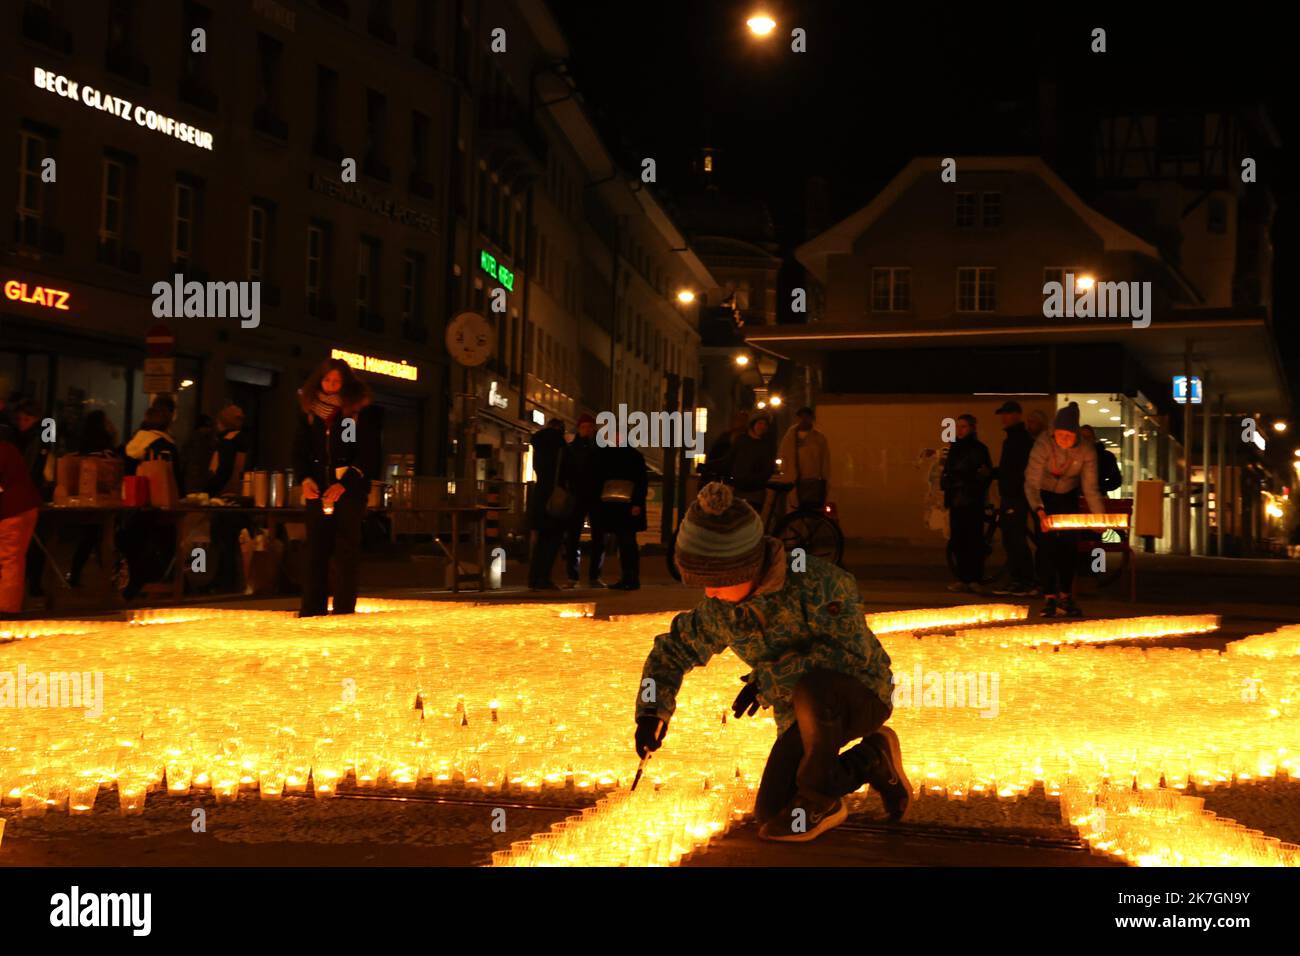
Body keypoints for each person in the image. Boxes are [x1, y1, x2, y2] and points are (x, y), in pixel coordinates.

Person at [634, 482, 908, 842]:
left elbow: (850, 656)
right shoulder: (720, 611)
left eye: (716, 582)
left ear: (747, 568)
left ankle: (820, 801)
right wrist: (652, 711)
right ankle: (873, 758)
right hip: (799, 717)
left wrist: (770, 679)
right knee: (772, 814)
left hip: (859, 695)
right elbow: (670, 651)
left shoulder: (819, 583)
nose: (709, 592)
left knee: (815, 691)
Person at [293, 358, 380, 617]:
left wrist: (346, 483)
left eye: (336, 381)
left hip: (349, 492)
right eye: (327, 380)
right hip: (318, 490)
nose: (331, 386)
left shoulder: (356, 413)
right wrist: (305, 479)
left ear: (346, 384)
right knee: (316, 550)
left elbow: (368, 455)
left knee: (345, 550)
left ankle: (343, 609)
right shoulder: (309, 413)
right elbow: (299, 451)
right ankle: (311, 609)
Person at [1025, 402, 1105, 618]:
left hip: (1068, 494)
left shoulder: (1086, 449)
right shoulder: (1043, 443)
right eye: (1060, 435)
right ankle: (1049, 596)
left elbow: (1090, 487)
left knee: (1069, 545)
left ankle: (1066, 595)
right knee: (1046, 546)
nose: (1064, 440)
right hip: (1043, 495)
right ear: (1054, 432)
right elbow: (1031, 481)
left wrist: (1099, 517)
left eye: (1069, 436)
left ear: (1076, 433)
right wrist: (1039, 511)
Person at [67, 411, 121, 588]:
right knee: (102, 536)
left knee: (89, 537)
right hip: (103, 498)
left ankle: (76, 574)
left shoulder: (81, 446)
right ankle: (109, 575)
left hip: (84, 498)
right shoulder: (106, 447)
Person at [941, 414, 993, 593]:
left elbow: (984, 475)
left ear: (972, 428)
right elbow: (948, 472)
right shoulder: (954, 448)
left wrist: (964, 480)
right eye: (958, 426)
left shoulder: (979, 449)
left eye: (963, 426)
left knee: (973, 540)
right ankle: (963, 577)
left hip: (971, 501)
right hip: (957, 501)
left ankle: (974, 578)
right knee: (958, 540)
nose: (960, 430)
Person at [990, 401, 1037, 597]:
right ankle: (1019, 578)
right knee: (1011, 538)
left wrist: (1001, 476)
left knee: (1014, 538)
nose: (1003, 418)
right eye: (1003, 414)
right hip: (1012, 494)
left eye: (1007, 414)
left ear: (1017, 415)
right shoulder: (1013, 439)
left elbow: (1016, 469)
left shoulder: (1019, 440)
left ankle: (1024, 580)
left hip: (1015, 495)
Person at [595, 436, 647, 590]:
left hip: (625, 505)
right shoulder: (610, 455)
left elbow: (641, 481)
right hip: (617, 505)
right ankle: (627, 576)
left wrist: (637, 502)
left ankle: (630, 577)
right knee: (625, 541)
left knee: (627, 542)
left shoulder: (632, 456)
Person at [562, 413, 606, 587]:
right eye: (584, 426)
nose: (587, 429)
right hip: (579, 495)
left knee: (598, 538)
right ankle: (574, 576)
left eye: (590, 426)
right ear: (580, 428)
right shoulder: (573, 449)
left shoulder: (596, 448)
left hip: (593, 496)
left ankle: (593, 576)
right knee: (573, 537)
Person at [0, 437, 42, 616]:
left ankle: (7, 611)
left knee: (9, 560)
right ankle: (9, 607)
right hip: (25, 506)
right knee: (14, 559)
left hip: (11, 510)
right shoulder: (8, 447)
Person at [527, 418, 567, 590]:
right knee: (553, 539)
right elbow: (569, 469)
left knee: (541, 539)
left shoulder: (538, 444)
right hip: (555, 496)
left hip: (540, 494)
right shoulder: (560, 446)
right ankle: (544, 577)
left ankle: (534, 577)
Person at [775, 406, 831, 513]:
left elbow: (825, 461)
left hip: (812, 483)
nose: (804, 419)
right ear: (797, 418)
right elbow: (782, 456)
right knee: (793, 514)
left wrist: (825, 481)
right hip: (793, 483)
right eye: (801, 417)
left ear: (812, 418)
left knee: (811, 515)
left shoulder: (819, 438)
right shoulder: (789, 436)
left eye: (807, 416)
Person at [729, 411, 777, 514]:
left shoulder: (767, 444)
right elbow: (730, 459)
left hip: (756, 491)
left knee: (752, 519)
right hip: (739, 488)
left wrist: (758, 479)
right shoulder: (741, 440)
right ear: (753, 424)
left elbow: (769, 467)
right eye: (760, 423)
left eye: (765, 424)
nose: (762, 427)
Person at [206, 404, 249, 497]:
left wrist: (209, 491)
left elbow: (224, 470)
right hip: (241, 490)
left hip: (224, 493)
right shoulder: (242, 439)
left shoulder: (228, 440)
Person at [700, 411, 749, 484]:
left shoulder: (748, 439)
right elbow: (715, 455)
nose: (739, 422)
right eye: (737, 420)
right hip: (724, 474)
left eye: (742, 420)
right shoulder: (724, 437)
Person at [1080, 425, 1122, 494]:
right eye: (1082, 437)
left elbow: (1116, 480)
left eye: (1088, 437)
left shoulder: (1106, 457)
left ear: (1094, 439)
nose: (1085, 440)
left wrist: (1099, 487)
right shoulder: (1071, 456)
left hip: (1098, 497)